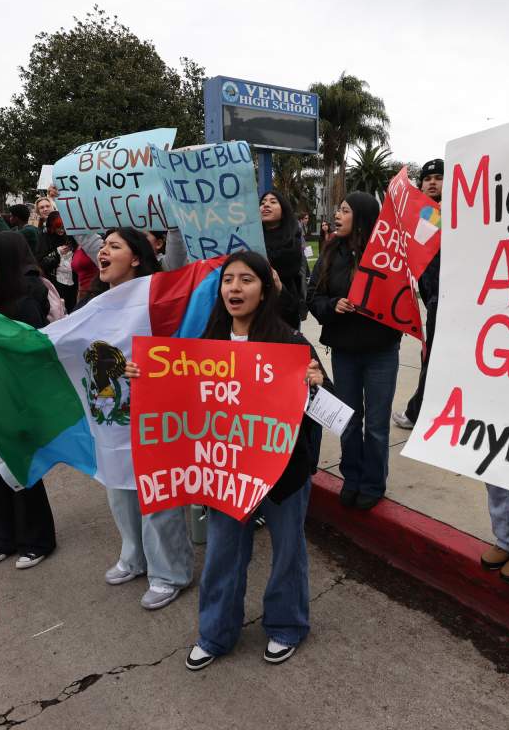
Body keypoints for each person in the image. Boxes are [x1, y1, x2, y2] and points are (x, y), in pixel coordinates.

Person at [126, 251, 325, 670]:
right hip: (224, 472)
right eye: (228, 280)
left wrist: (315, 383)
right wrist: (144, 377)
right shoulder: (204, 344)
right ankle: (216, 633)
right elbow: (179, 396)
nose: (235, 288)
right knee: (222, 553)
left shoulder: (291, 342)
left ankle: (287, 625)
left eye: (246, 280)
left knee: (289, 551)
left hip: (284, 473)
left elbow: (329, 408)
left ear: (264, 289)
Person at [96, 228, 194, 609]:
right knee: (119, 488)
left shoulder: (160, 294)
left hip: (158, 410)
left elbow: (183, 348)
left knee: (158, 492)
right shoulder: (94, 304)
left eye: (114, 246)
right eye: (102, 246)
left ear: (136, 257)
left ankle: (170, 571)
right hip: (114, 417)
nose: (103, 251)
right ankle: (134, 556)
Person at [0, 232, 56, 570]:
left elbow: (34, 353)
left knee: (20, 469)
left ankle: (37, 540)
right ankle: (3, 539)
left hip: (15, 400)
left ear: (1, 262)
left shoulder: (23, 302)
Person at [308, 192, 401, 509]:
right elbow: (313, 298)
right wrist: (335, 305)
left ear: (361, 217)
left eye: (345, 211)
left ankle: (373, 483)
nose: (337, 215)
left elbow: (401, 301)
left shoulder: (385, 256)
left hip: (381, 353)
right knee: (349, 419)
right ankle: (352, 477)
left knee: (376, 424)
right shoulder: (330, 252)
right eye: (338, 209)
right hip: (345, 352)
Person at [393, 158, 444, 430]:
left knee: (433, 357)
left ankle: (416, 412)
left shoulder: (453, 214)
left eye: (439, 177)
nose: (433, 182)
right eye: (428, 178)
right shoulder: (428, 215)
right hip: (434, 300)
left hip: (446, 301)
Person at [259, 190, 308, 329]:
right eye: (262, 203)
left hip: (285, 310)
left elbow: (288, 268)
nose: (266, 205)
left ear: (283, 210)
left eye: (273, 202)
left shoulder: (293, 239)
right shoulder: (248, 237)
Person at [38, 214, 77, 314]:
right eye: (58, 227)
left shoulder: (72, 238)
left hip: (73, 284)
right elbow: (41, 263)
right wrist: (56, 253)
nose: (61, 230)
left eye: (63, 227)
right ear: (51, 227)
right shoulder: (44, 239)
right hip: (55, 283)